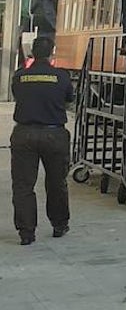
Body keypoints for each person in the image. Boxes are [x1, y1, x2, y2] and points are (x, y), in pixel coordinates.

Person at [11, 36, 73, 245]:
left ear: (32, 53)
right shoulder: (62, 77)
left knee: (23, 185)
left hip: (24, 134)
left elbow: (18, 95)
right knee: (56, 182)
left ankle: (27, 232)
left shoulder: (20, 77)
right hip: (54, 134)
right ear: (51, 53)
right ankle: (59, 224)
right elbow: (68, 99)